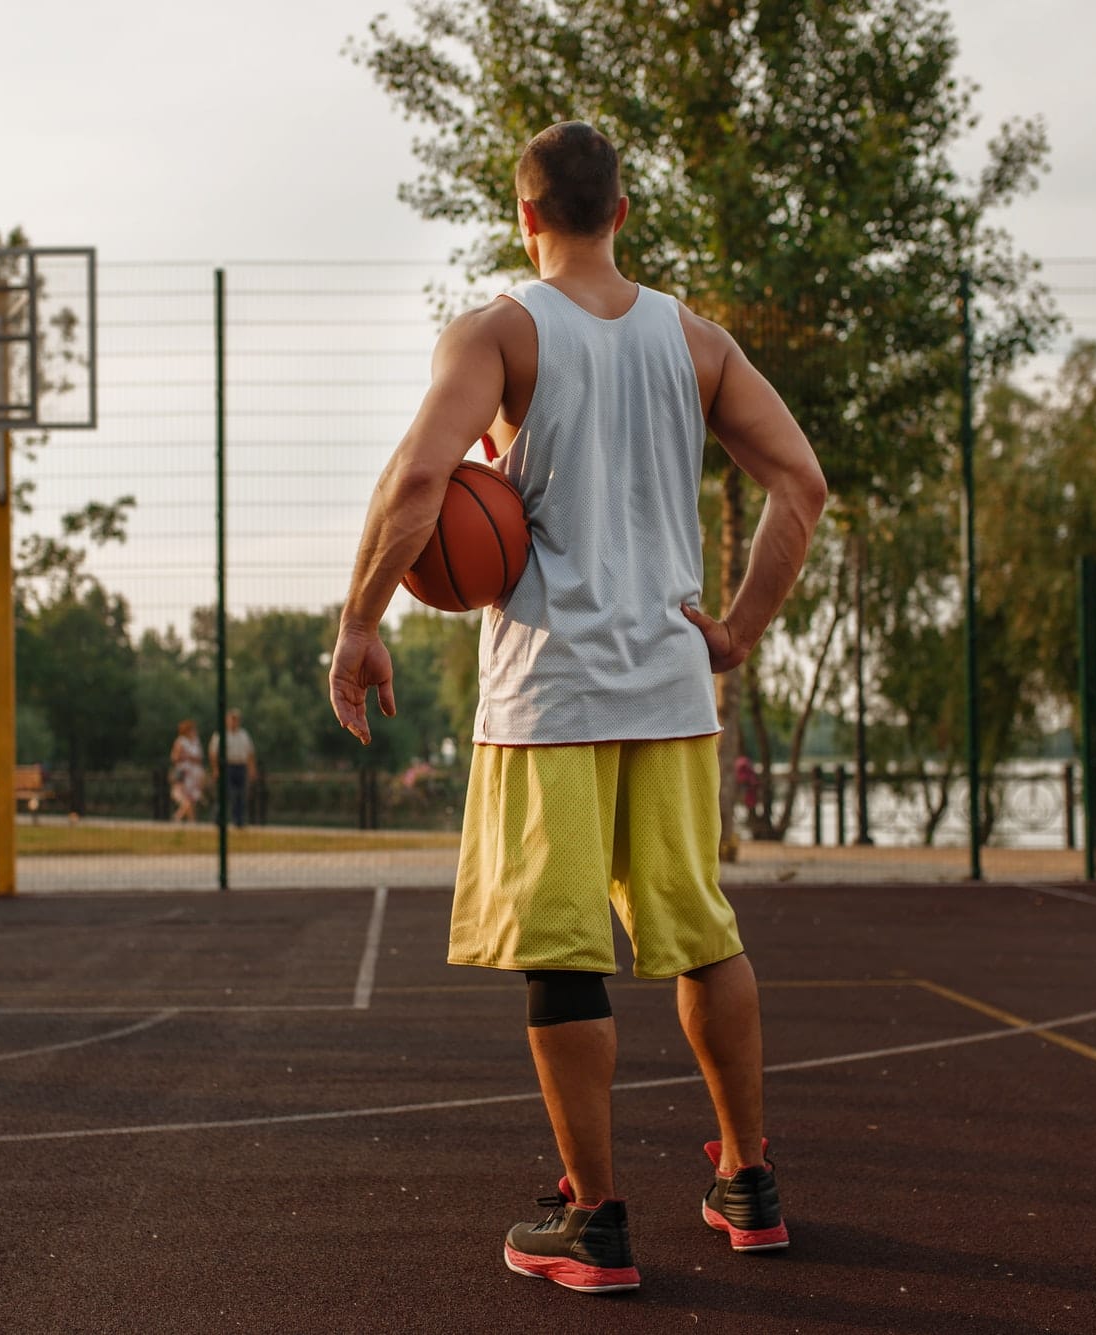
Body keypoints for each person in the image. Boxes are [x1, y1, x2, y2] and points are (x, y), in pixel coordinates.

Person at [329, 122, 827, 1295]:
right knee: (701, 932)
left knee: (562, 954)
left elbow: (414, 482)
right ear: (621, 212)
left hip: (547, 693)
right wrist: (741, 629)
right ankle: (747, 1183)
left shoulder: (499, 330)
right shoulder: (694, 342)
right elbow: (799, 484)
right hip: (666, 684)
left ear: (524, 217)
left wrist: (360, 623)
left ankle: (594, 1219)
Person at [207, 709, 260, 828]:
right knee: (225, 794)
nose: (234, 722)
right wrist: (215, 769)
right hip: (227, 766)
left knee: (241, 794)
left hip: (240, 766)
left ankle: (239, 820)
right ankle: (218, 818)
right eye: (232, 719)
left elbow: (250, 753)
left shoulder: (244, 735)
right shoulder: (220, 734)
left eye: (236, 720)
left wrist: (252, 769)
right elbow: (213, 753)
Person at [168, 720, 205, 823]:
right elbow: (174, 757)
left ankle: (180, 818)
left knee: (192, 798)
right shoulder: (181, 741)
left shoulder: (196, 741)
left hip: (194, 774)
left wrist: (190, 757)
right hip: (184, 772)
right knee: (184, 797)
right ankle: (191, 821)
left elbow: (199, 758)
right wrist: (186, 757)